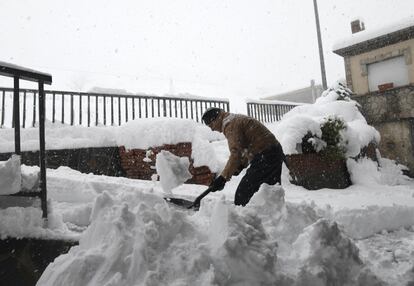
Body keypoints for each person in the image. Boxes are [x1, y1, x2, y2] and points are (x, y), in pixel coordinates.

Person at [202, 107, 285, 206]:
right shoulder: (234, 120)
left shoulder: (230, 124)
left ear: (217, 118)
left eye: (211, 124)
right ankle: (274, 215)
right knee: (270, 190)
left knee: (243, 193)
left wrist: (223, 178)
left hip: (266, 155)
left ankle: (240, 216)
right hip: (273, 152)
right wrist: (240, 166)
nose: (212, 129)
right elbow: (246, 147)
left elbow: (236, 153)